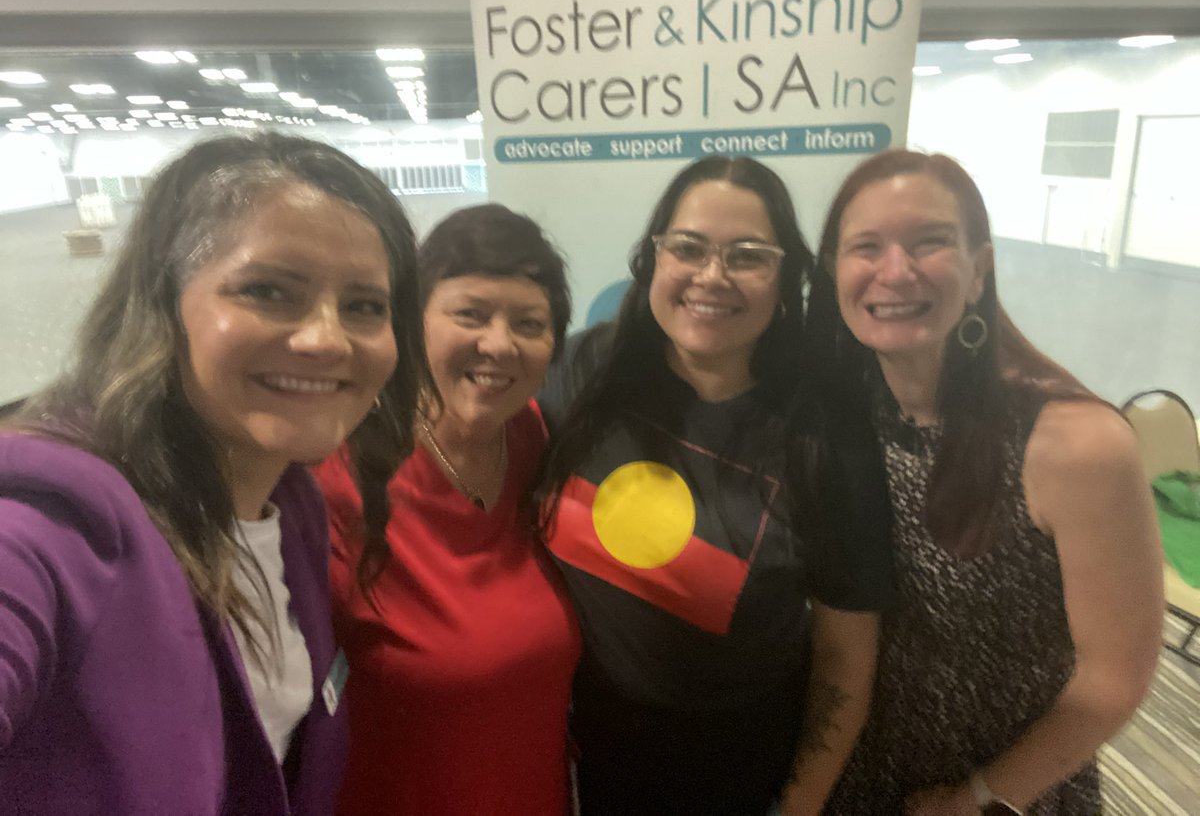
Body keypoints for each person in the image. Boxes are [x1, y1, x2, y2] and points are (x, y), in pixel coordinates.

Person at [0, 132, 425, 816]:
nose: (326, 337)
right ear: (164, 306)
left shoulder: (290, 506)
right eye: (267, 290)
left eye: (364, 306)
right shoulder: (53, 522)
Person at [536, 156, 897, 816]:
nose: (711, 276)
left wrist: (798, 807)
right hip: (564, 769)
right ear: (652, 257)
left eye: (748, 255)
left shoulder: (824, 437)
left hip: (735, 784)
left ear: (786, 278)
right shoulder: (582, 373)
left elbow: (845, 661)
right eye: (689, 247)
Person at [812, 149, 1163, 815]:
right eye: (866, 246)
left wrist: (979, 798)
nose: (895, 271)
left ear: (980, 269)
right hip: (860, 774)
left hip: (1000, 790)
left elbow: (1115, 680)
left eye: (930, 242)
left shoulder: (1075, 443)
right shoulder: (852, 411)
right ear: (834, 271)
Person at [312, 204, 581, 816]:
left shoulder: (534, 439)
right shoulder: (333, 480)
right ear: (412, 321)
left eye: (529, 323)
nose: (499, 344)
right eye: (470, 313)